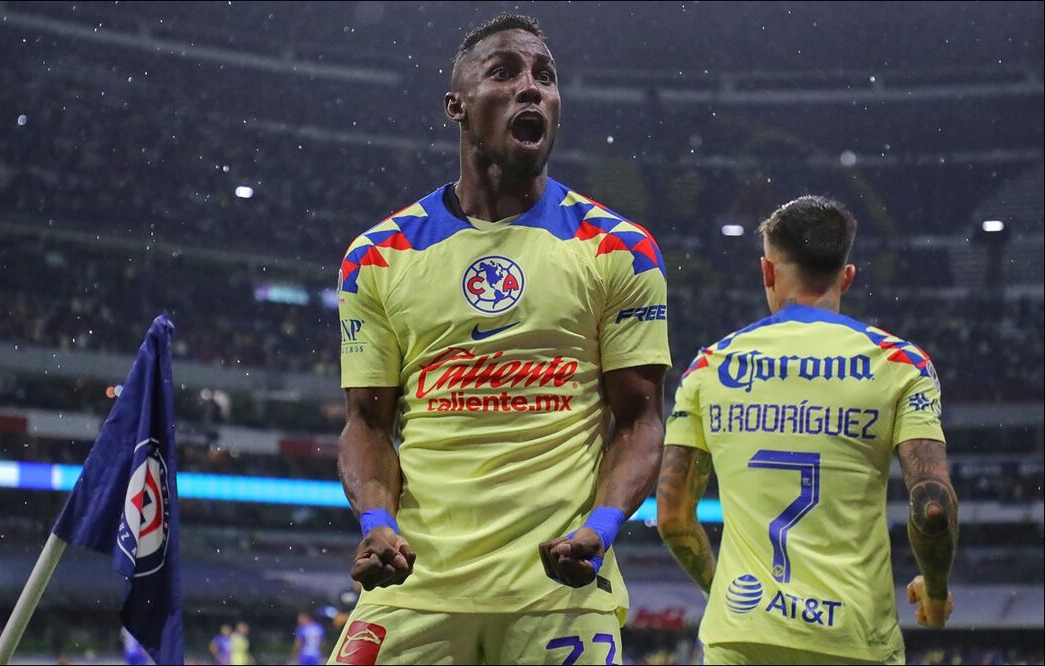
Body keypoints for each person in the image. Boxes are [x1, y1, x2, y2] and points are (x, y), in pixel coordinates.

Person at [333, 12, 670, 665]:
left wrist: (599, 531)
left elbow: (639, 419)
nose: (531, 88)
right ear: (456, 106)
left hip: (560, 588)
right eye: (505, 72)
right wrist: (376, 524)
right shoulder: (377, 254)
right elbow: (366, 424)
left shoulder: (619, 249)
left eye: (544, 78)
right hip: (414, 581)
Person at [656, 195, 958, 665]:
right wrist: (935, 592)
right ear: (848, 276)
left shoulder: (709, 366)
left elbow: (673, 516)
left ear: (768, 272)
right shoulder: (901, 364)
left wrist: (731, 598)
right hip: (854, 640)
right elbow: (932, 506)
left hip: (743, 638)